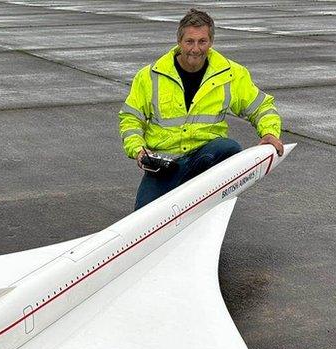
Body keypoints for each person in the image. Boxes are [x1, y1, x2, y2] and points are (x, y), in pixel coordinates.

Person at [119, 9, 284, 210]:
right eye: (189, 41)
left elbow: (262, 107)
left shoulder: (230, 74)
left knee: (228, 147)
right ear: (179, 41)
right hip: (164, 165)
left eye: (202, 41)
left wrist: (269, 133)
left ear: (211, 42)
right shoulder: (149, 76)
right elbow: (130, 118)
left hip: (204, 160)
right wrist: (138, 150)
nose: (195, 49)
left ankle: (204, 201)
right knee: (143, 221)